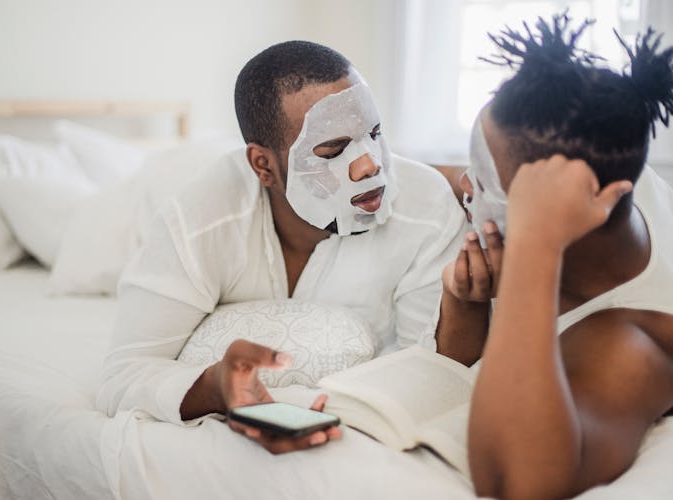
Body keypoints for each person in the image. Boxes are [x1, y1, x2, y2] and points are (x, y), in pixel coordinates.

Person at [96, 41, 471, 454]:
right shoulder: (202, 220)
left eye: (375, 134)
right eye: (333, 150)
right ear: (262, 165)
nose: (370, 165)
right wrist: (214, 387)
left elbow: (433, 372)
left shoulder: (426, 208)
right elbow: (122, 374)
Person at [446, 14, 673, 498]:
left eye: (483, 182)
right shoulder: (613, 162)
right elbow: (454, 365)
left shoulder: (631, 339)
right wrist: (466, 302)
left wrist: (534, 248)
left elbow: (516, 483)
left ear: (565, 208)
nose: (466, 186)